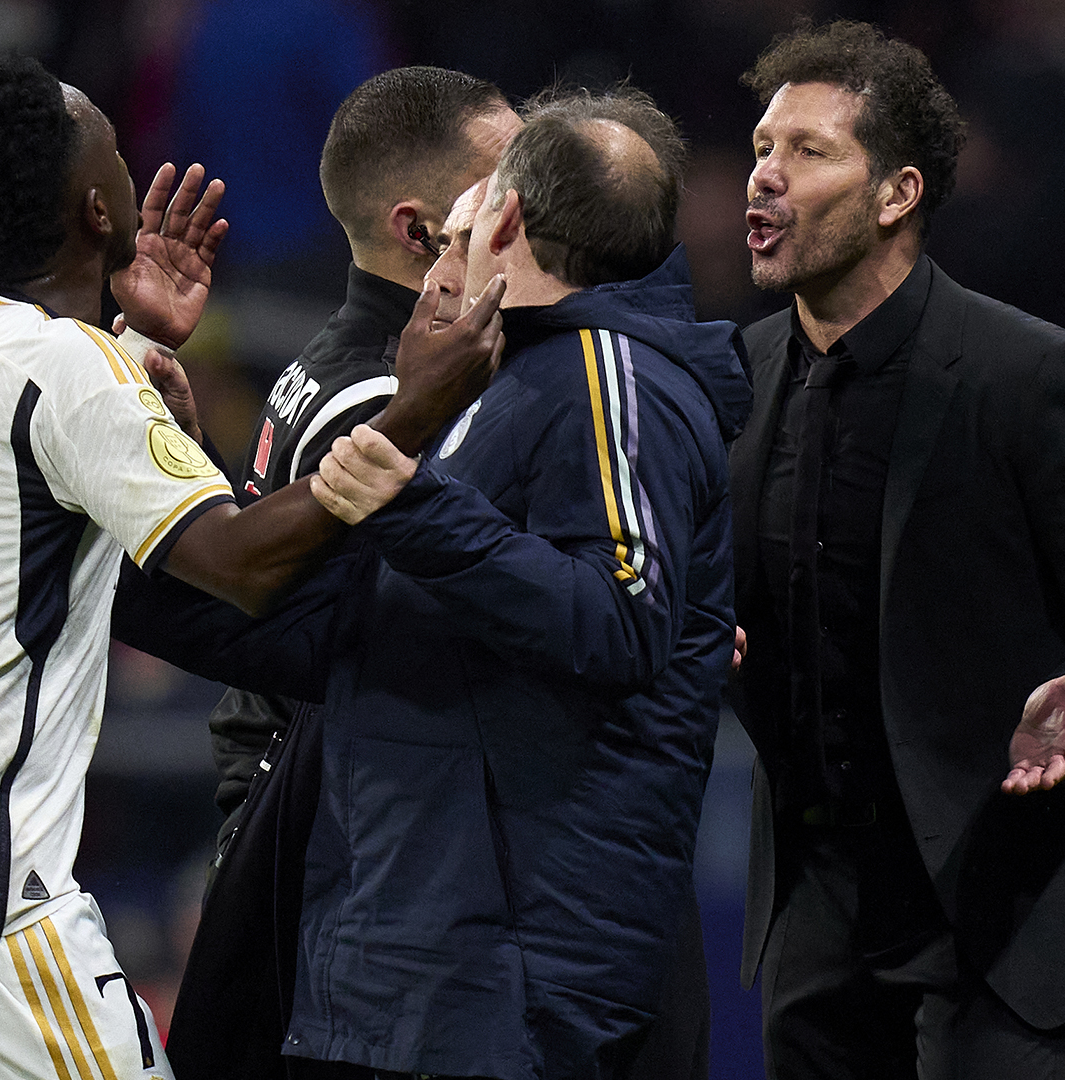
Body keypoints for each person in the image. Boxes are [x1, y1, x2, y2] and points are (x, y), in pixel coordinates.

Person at [0, 54, 503, 1080]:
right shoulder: (72, 373)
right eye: (114, 146)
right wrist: (412, 410)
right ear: (98, 208)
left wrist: (133, 345)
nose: (131, 155)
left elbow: (43, 467)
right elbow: (242, 567)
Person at [256, 84, 749, 1079]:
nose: (440, 262)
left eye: (457, 231)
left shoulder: (610, 374)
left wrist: (412, 506)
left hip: (510, 977)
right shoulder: (507, 377)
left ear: (507, 218)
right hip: (420, 954)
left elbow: (620, 619)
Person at [727, 19, 1065, 1078]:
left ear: (897, 194)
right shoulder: (736, 378)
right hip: (814, 901)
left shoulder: (1033, 375)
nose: (765, 175)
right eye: (761, 147)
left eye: (808, 150)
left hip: (998, 891)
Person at [206, 65, 520, 847]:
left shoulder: (331, 359)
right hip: (342, 837)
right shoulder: (383, 402)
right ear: (419, 232)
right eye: (508, 186)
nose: (536, 204)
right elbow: (438, 648)